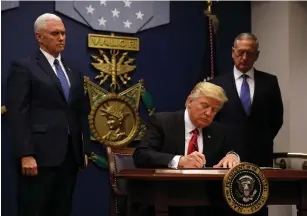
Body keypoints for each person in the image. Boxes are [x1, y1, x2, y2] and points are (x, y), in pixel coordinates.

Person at [6, 13, 90, 216]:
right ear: (39, 36)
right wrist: (26, 154)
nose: (61, 38)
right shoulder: (24, 67)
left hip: (69, 157)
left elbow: (80, 112)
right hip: (39, 158)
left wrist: (83, 148)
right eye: (55, 33)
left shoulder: (72, 71)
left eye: (63, 33)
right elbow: (18, 113)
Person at [210, 32, 284, 216]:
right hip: (225, 161)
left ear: (257, 55)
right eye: (240, 52)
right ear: (233, 52)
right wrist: (226, 149)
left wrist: (259, 141)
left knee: (257, 208)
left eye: (249, 53)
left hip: (259, 160)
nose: (244, 58)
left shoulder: (269, 82)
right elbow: (213, 122)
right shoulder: (217, 84)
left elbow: (276, 119)